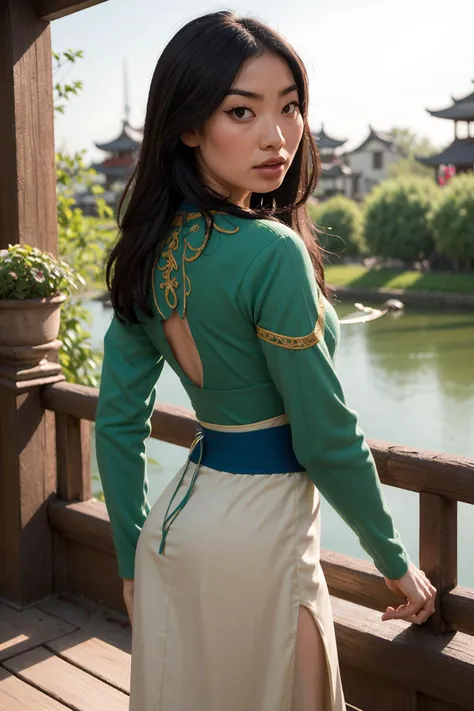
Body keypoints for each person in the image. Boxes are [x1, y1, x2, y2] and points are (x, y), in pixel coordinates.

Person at [95, 11, 436, 711]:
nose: (277, 135)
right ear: (188, 125)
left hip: (173, 529)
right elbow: (326, 436)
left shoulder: (143, 252)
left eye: (290, 108)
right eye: (242, 111)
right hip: (261, 532)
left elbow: (116, 423)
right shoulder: (270, 251)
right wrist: (394, 561)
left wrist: (130, 556)